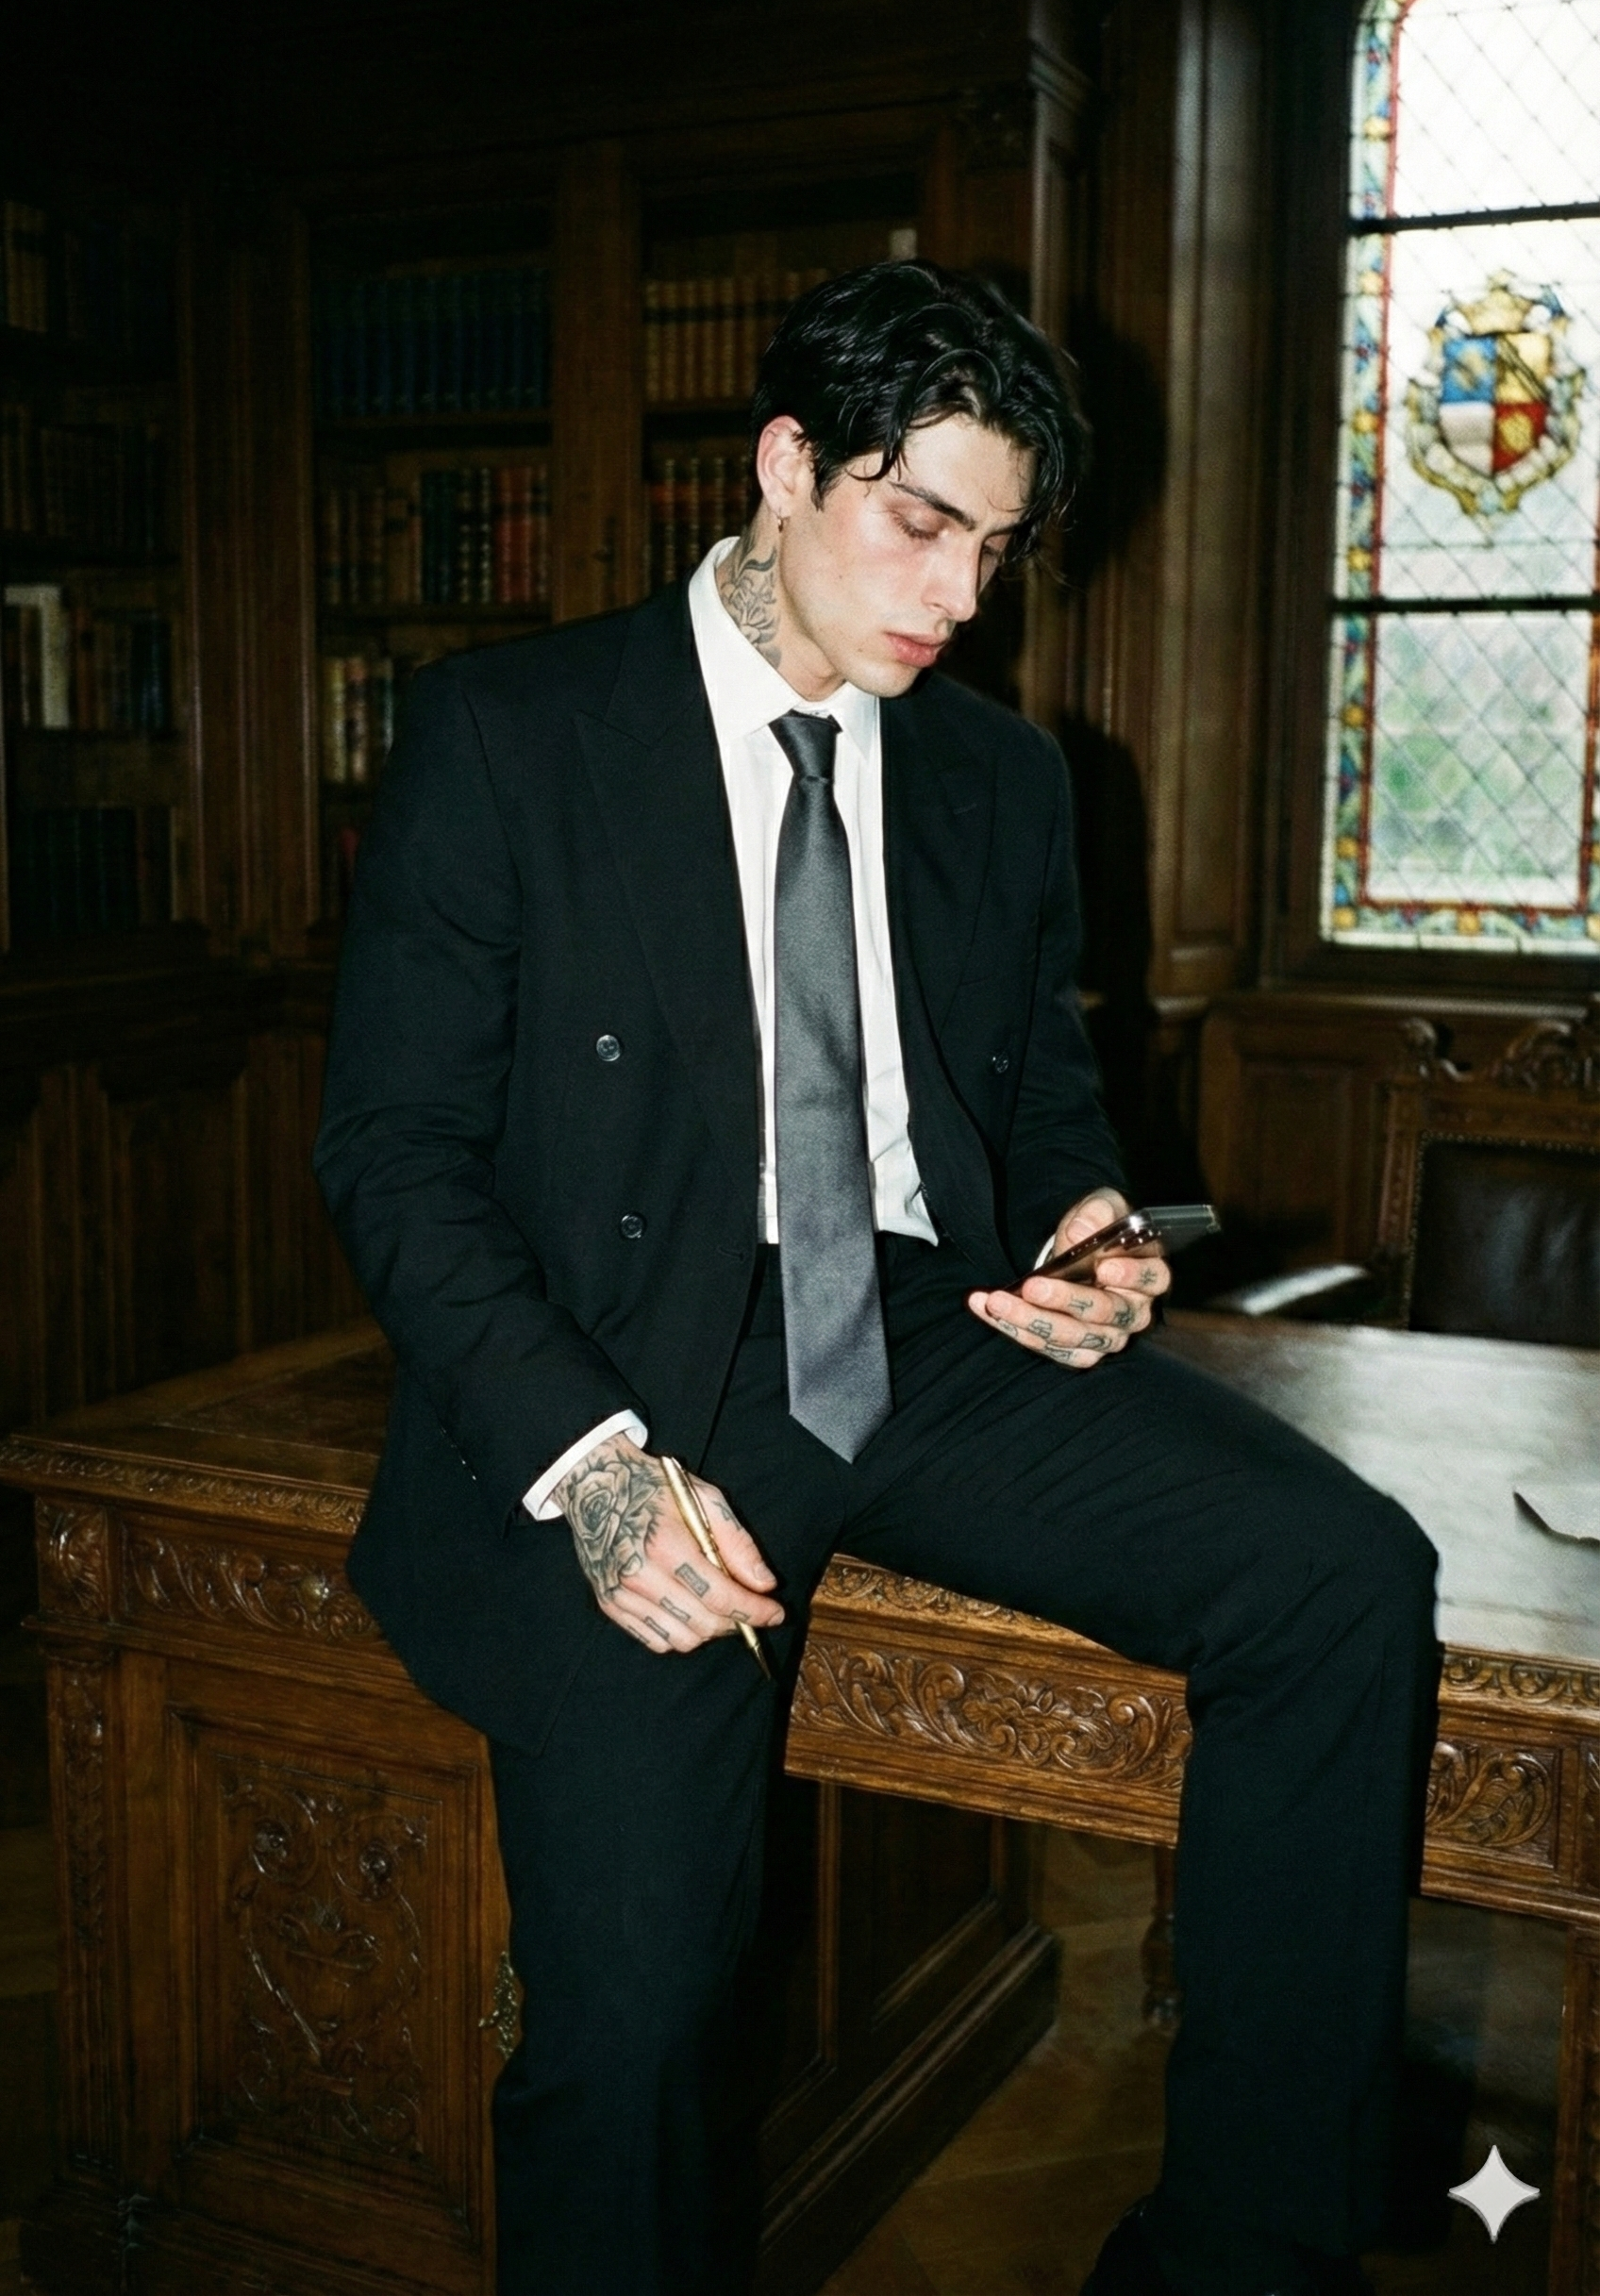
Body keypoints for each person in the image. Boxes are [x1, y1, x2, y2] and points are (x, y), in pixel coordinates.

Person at [314, 259, 1440, 2296]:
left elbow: (1039, 1095)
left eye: (994, 550)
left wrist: (1077, 1229)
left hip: (916, 1330)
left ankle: (1240, 2254)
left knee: (1338, 1575)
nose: (956, 593)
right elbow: (393, 1153)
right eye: (919, 521)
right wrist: (593, 1465)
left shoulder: (1002, 778)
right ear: (784, 466)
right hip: (630, 1374)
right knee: (636, 2017)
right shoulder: (512, 732)